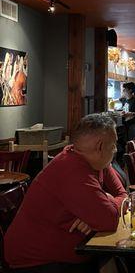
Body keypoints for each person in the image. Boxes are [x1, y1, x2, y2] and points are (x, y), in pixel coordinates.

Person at [4, 113, 127, 273]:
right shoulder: (73, 169)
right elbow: (110, 220)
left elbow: (123, 196)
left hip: (75, 250)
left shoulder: (97, 162)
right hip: (37, 262)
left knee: (117, 259)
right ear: (100, 147)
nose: (115, 149)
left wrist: (105, 202)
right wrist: (108, 204)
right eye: (114, 144)